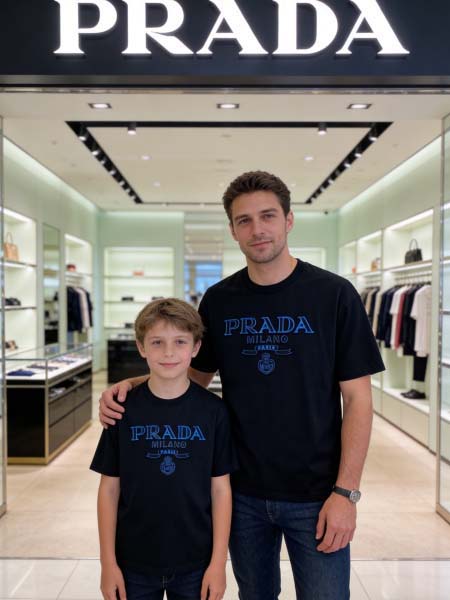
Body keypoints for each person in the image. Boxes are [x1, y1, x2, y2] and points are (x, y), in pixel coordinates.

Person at [99, 171, 385, 600]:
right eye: (244, 220)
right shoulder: (219, 300)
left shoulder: (334, 295)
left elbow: (358, 399)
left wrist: (346, 493)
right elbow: (190, 376)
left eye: (267, 216)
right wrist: (133, 385)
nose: (257, 229)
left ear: (289, 220)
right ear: (233, 230)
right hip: (241, 492)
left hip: (317, 493)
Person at [91, 298, 236, 600]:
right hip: (133, 561)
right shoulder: (121, 410)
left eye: (180, 342)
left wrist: (218, 564)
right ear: (141, 347)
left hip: (197, 561)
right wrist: (108, 564)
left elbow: (221, 490)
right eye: (157, 342)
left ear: (196, 348)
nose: (169, 352)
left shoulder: (214, 412)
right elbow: (109, 490)